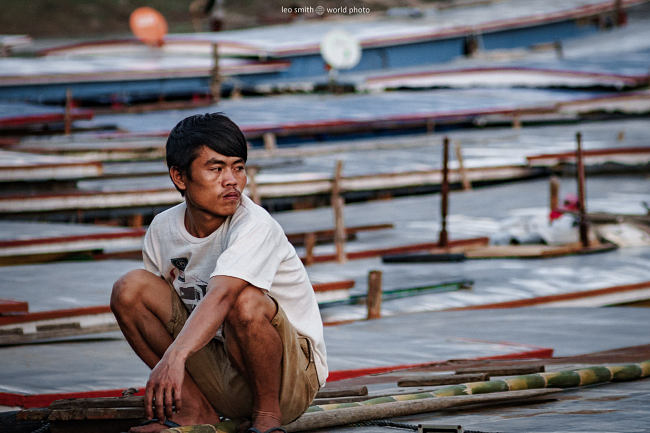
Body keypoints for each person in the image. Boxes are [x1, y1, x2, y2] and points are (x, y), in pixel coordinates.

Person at [110, 113, 327, 433]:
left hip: (288, 383)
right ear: (180, 177)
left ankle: (267, 418)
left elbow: (223, 294)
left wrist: (174, 357)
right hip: (219, 372)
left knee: (245, 300)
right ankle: (193, 408)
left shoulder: (254, 224)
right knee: (130, 289)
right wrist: (173, 359)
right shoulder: (163, 228)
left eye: (238, 167)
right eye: (216, 169)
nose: (232, 180)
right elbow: (158, 313)